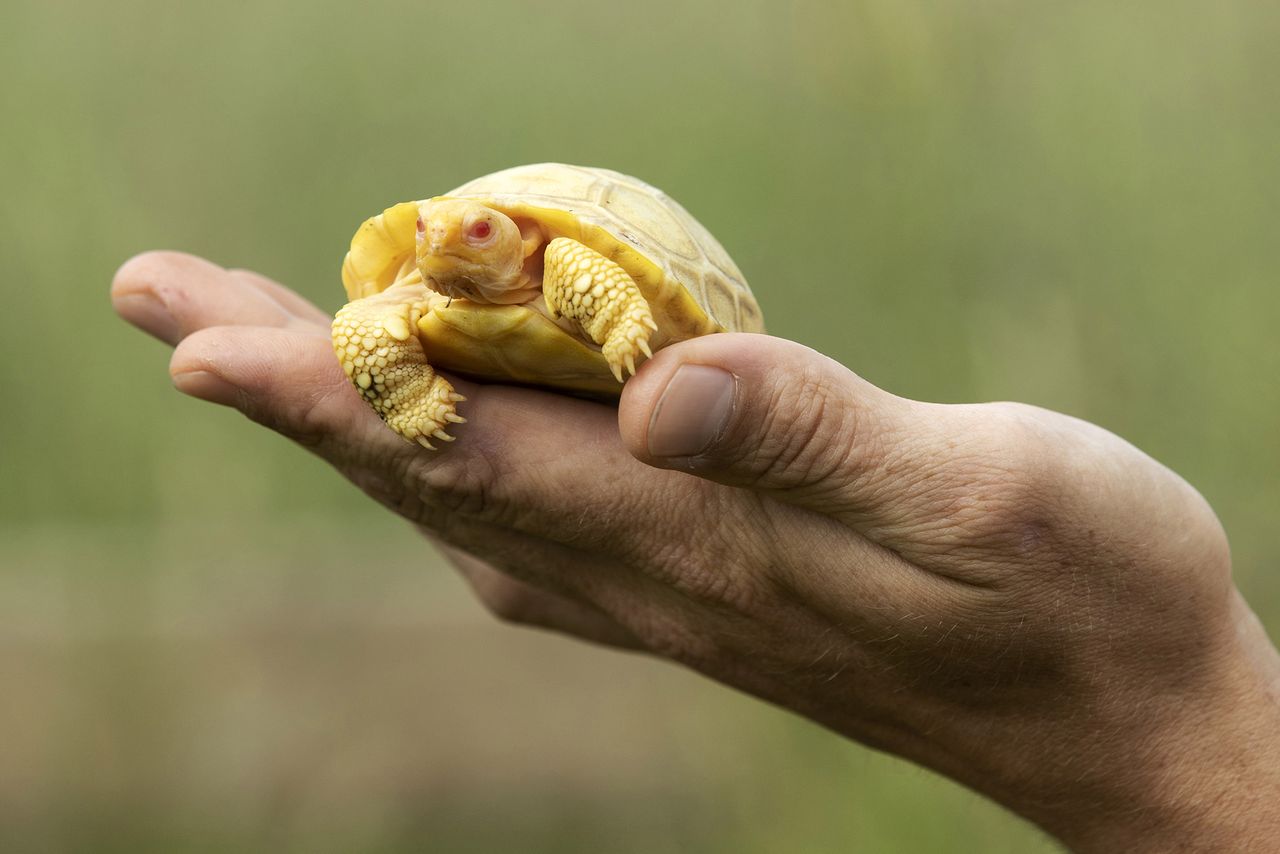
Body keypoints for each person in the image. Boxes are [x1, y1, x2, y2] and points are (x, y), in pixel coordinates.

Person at [112, 251, 1280, 851]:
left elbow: (598, 277)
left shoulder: (561, 265)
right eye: (443, 235)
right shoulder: (417, 291)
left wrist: (1175, 749)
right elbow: (369, 330)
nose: (459, 246)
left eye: (482, 235)